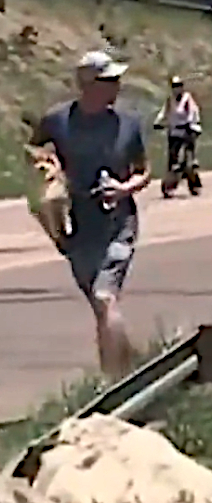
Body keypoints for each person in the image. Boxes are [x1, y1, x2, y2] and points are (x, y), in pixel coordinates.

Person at [28, 50, 152, 379]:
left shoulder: (128, 122)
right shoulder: (58, 120)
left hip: (118, 221)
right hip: (75, 225)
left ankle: (119, 381)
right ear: (88, 84)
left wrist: (125, 188)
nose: (117, 85)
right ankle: (120, 369)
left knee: (104, 296)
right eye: (109, 80)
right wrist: (48, 169)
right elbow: (34, 152)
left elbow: (144, 170)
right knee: (100, 305)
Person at [153, 76, 202, 189]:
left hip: (187, 130)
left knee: (188, 154)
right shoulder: (170, 100)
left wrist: (190, 122)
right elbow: (164, 112)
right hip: (174, 131)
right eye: (174, 86)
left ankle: (192, 168)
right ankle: (171, 179)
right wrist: (157, 122)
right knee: (172, 156)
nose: (177, 89)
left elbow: (193, 111)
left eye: (179, 86)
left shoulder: (187, 98)